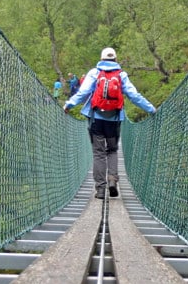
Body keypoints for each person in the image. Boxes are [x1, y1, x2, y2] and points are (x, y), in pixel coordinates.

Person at [64, 47, 156, 199]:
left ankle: (100, 189)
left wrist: (69, 105)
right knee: (112, 151)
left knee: (99, 153)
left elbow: (83, 93)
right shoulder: (121, 75)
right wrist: (151, 109)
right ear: (115, 59)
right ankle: (112, 179)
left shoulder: (94, 73)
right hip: (114, 120)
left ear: (101, 59)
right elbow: (134, 95)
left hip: (95, 119)